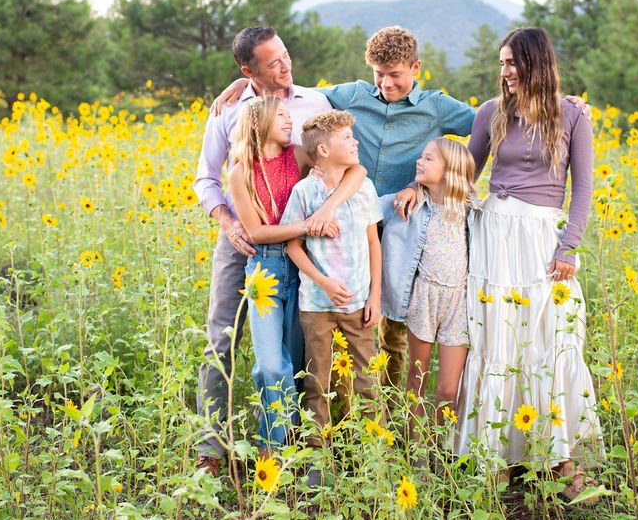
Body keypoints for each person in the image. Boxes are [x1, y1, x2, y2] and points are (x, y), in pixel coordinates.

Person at [213, 26, 477, 392]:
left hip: (400, 228)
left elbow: (488, 127)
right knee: (337, 322)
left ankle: (387, 416)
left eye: (395, 75)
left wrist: (430, 183)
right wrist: (242, 86)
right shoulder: (351, 95)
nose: (385, 84)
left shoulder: (436, 106)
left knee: (392, 328)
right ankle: (339, 414)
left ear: (416, 67)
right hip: (343, 230)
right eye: (378, 74)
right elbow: (287, 96)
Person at [193, 25, 351, 475]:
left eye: (285, 55)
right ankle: (211, 448)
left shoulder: (317, 102)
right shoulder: (228, 112)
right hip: (243, 239)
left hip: (300, 246)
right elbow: (206, 178)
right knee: (222, 336)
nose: (285, 66)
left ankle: (286, 439)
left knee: (297, 342)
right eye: (272, 62)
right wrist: (229, 221)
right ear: (249, 70)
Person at [454, 27, 602, 500]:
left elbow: (583, 190)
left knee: (549, 339)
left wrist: (568, 247)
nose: (504, 72)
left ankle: (560, 458)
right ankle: (496, 455)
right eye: (501, 64)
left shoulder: (573, 115)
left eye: (512, 63)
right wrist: (423, 187)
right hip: (495, 233)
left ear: (537, 63)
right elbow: (467, 172)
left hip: (540, 238)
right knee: (496, 339)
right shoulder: (491, 113)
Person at [227, 96, 365, 454]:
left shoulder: (301, 156)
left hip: (303, 265)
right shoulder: (240, 172)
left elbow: (357, 171)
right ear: (259, 123)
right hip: (265, 269)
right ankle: (273, 446)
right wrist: (309, 224)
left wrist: (330, 207)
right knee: (272, 365)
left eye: (291, 115)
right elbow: (255, 233)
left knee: (299, 362)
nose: (290, 121)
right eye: (282, 116)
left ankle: (285, 446)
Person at [280, 111, 383, 477]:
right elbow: (293, 245)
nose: (355, 142)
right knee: (317, 380)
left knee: (367, 380)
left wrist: (375, 297)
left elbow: (374, 242)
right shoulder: (304, 192)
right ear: (323, 149)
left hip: (359, 303)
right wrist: (323, 282)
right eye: (347, 138)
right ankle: (316, 459)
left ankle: (369, 455)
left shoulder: (362, 188)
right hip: (317, 305)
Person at [379, 138, 476, 462]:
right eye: (421, 157)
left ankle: (438, 446)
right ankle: (418, 452)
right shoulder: (409, 204)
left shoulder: (472, 210)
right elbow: (363, 207)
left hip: (457, 303)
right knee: (416, 379)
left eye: (429, 159)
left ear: (450, 171)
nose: (420, 162)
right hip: (424, 297)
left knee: (449, 389)